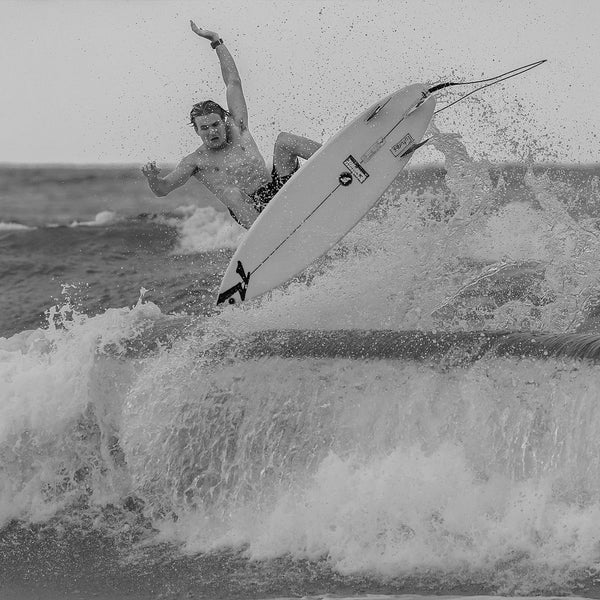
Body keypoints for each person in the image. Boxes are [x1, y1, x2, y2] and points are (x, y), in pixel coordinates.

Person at [142, 21, 321, 229]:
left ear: (223, 120)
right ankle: (264, 236)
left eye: (215, 124)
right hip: (252, 210)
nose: (212, 131)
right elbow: (162, 189)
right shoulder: (196, 161)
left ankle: (338, 160)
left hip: (278, 190)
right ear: (197, 131)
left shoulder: (238, 127)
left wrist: (216, 41)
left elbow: (233, 81)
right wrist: (153, 178)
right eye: (205, 128)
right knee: (230, 192)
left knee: (284, 140)